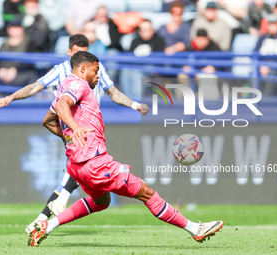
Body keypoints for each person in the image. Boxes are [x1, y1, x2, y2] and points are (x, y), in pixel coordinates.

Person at [27, 51, 224, 247]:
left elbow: (48, 121)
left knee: (101, 201)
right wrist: (76, 129)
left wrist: (70, 136)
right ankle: (195, 229)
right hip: (95, 164)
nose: (98, 76)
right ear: (83, 68)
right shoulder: (79, 84)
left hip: (76, 167)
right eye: (96, 71)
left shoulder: (64, 87)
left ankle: (47, 225)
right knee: (146, 192)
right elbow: (62, 105)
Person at [0, 34, 149, 234]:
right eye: (77, 53)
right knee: (80, 173)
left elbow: (113, 92)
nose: (81, 58)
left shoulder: (96, 70)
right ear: (70, 53)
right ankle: (56, 207)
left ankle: (44, 217)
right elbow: (35, 87)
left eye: (84, 53)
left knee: (75, 177)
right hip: (73, 129)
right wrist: (10, 98)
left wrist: (135, 105)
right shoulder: (61, 70)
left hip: (91, 129)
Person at [255, 13, 277, 95]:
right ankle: (252, 99)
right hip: (262, 66)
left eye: (274, 23)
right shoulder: (262, 38)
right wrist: (261, 66)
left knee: (272, 74)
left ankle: (266, 101)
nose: (273, 26)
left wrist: (270, 64)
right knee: (252, 72)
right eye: (271, 24)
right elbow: (255, 53)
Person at [0, 18, 38, 86]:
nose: (15, 30)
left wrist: (15, 69)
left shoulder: (29, 42)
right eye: (13, 27)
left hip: (22, 73)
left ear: (22, 29)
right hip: (5, 74)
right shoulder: (4, 44)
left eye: (17, 27)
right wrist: (1, 69)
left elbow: (29, 61)